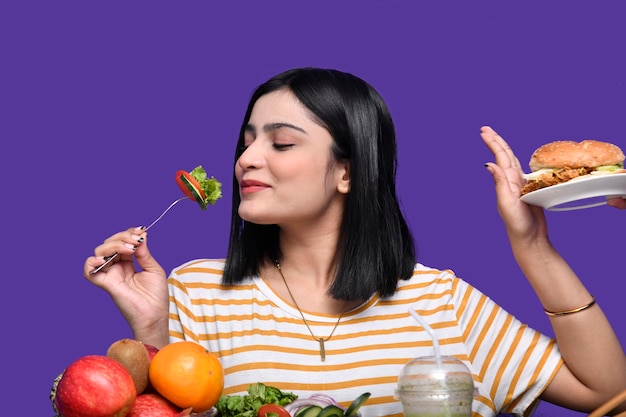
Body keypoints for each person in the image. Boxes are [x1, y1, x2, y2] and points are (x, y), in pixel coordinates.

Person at [84, 67, 626, 417]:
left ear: (347, 170)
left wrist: (532, 246)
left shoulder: (441, 302)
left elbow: (606, 393)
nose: (247, 158)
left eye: (281, 142)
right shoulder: (197, 291)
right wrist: (152, 329)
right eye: (247, 141)